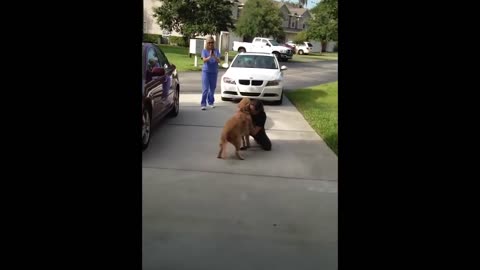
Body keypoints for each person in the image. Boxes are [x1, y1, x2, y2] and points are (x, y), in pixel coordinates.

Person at [200, 36, 221, 110]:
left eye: (212, 43)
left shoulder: (216, 51)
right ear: (207, 43)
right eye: (209, 43)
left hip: (214, 72)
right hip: (206, 72)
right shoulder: (204, 51)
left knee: (212, 88)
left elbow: (219, 61)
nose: (211, 44)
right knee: (205, 89)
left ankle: (211, 102)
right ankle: (203, 103)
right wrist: (209, 56)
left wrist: (214, 56)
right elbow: (204, 60)